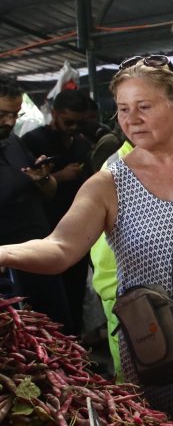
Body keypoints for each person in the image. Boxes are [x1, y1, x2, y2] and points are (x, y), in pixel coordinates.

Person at [0, 56, 173, 425]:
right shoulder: (108, 182)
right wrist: (3, 252)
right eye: (123, 109)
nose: (132, 118)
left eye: (144, 106)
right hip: (156, 347)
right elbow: (60, 248)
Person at [22, 88, 94, 335]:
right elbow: (27, 181)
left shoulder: (83, 143)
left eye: (80, 122)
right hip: (48, 228)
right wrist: (58, 177)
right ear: (54, 113)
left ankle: (75, 341)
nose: (74, 127)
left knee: (76, 289)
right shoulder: (33, 141)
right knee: (50, 290)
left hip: (81, 227)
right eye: (68, 121)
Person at [0, 75, 69, 326]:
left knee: (54, 327)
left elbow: (48, 192)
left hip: (39, 253)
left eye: (14, 114)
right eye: (2, 114)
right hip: (7, 269)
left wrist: (43, 177)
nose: (9, 122)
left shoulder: (13, 142)